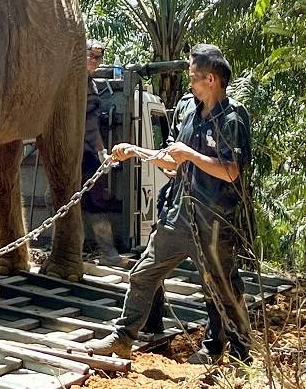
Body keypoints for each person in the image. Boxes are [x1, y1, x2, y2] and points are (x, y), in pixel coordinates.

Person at [85, 44, 252, 364]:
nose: (190, 83)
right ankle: (122, 338)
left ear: (212, 79)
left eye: (194, 77)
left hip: (215, 220)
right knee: (144, 272)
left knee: (221, 289)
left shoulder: (233, 118)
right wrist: (136, 151)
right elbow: (170, 163)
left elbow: (231, 171)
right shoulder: (187, 109)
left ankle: (229, 351)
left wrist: (189, 155)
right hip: (178, 213)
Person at [82, 40, 122, 265]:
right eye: (91, 56)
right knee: (64, 199)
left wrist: (101, 153)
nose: (95, 61)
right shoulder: (74, 81)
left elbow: (92, 124)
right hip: (74, 151)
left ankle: (107, 252)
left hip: (87, 152)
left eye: (99, 58)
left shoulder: (91, 84)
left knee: (94, 199)